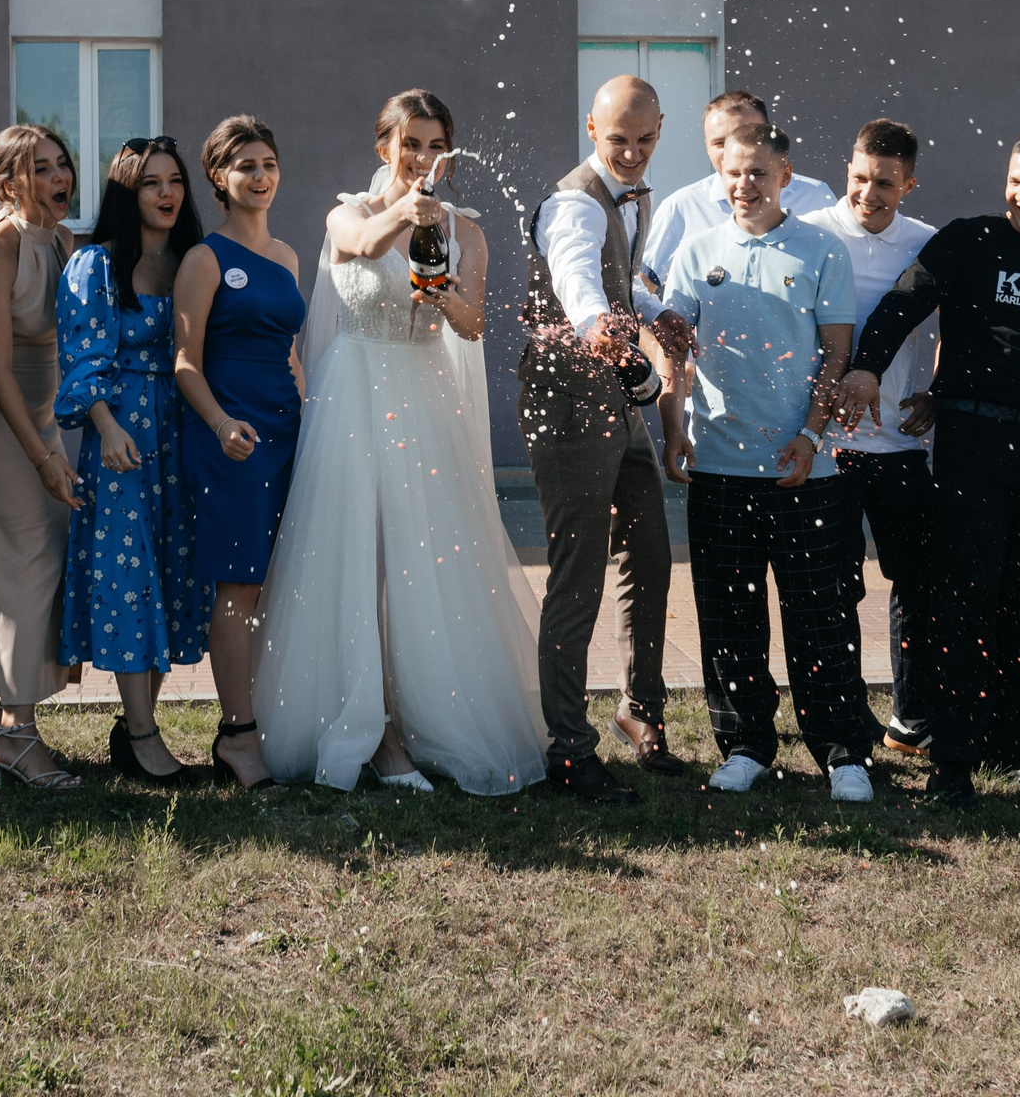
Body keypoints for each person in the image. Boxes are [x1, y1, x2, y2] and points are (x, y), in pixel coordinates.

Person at [257, 91, 548, 795]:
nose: (422, 157)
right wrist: (402, 215)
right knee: (361, 556)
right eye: (409, 142)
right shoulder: (349, 211)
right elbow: (356, 247)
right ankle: (372, 727)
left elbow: (473, 322)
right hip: (355, 395)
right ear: (383, 144)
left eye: (434, 144)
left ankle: (421, 716)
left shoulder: (465, 230)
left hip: (422, 397)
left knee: (421, 563)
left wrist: (440, 293)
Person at [839, 129, 1020, 808]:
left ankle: (1013, 750)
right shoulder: (968, 239)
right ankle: (952, 762)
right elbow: (902, 303)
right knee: (964, 606)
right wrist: (867, 365)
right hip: (972, 445)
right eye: (1017, 180)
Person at [661, 121, 877, 801]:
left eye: (758, 172)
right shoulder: (697, 251)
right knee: (729, 617)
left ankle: (843, 752)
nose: (744, 184)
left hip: (806, 469)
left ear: (785, 175)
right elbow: (674, 352)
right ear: (718, 176)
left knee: (823, 616)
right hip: (721, 467)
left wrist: (811, 436)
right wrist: (673, 429)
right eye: (732, 172)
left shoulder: (821, 249)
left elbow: (836, 353)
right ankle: (746, 744)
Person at [522, 75, 694, 804]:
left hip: (618, 408)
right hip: (567, 406)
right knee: (577, 576)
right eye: (617, 138)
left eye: (644, 139)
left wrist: (663, 314)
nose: (630, 153)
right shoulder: (571, 203)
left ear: (661, 131)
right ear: (591, 126)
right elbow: (579, 282)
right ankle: (567, 748)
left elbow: (621, 284)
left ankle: (639, 707)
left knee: (651, 555)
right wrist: (608, 333)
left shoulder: (636, 197)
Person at [58, 136, 208, 784]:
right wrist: (104, 423)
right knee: (129, 579)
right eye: (151, 182)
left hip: (181, 434)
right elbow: (82, 353)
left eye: (175, 180)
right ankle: (142, 733)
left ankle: (135, 727)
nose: (167, 192)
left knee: (170, 572)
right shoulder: (96, 263)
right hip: (122, 435)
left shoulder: (190, 262)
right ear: (127, 190)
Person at [174, 115, 304, 790]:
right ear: (219, 178)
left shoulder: (285, 256)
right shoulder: (205, 258)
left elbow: (290, 350)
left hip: (287, 433)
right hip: (232, 440)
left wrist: (310, 417)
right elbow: (184, 364)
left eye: (269, 163)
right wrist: (222, 423)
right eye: (246, 165)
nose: (261, 176)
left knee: (281, 581)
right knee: (240, 585)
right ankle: (237, 736)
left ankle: (270, 716)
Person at [799, 120, 935, 759]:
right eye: (859, 178)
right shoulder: (810, 236)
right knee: (834, 586)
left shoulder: (926, 244)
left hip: (899, 447)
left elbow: (955, 324)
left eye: (885, 182)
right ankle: (849, 723)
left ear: (908, 183)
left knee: (916, 581)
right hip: (826, 447)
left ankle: (911, 719)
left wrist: (937, 390)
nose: (869, 193)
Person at [0, 125, 82, 789]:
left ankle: (12, 726)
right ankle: (16, 739)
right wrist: (40, 458)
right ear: (9, 181)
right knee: (20, 567)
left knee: (44, 561)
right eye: (43, 168)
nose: (61, 176)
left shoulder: (60, 240)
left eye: (63, 164)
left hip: (43, 419)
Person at [635, 88, 836, 290]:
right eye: (720, 143)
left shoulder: (816, 197)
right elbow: (642, 288)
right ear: (706, 147)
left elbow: (839, 279)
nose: (733, 150)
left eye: (745, 136)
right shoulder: (682, 207)